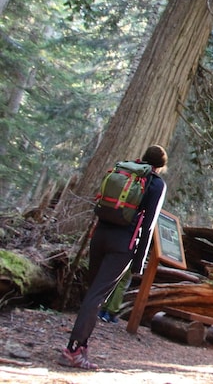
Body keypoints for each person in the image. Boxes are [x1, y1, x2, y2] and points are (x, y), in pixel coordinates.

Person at [60, 145, 169, 370]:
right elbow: (148, 225)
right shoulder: (155, 183)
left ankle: (81, 345)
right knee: (97, 296)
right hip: (123, 244)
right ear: (160, 166)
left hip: (100, 235)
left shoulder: (124, 170)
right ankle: (73, 350)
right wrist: (139, 261)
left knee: (92, 293)